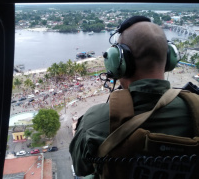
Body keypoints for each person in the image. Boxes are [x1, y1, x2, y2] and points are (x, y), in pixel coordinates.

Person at [69, 17, 194, 177]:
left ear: (118, 62)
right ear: (170, 59)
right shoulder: (195, 108)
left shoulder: (95, 121)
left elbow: (80, 168)